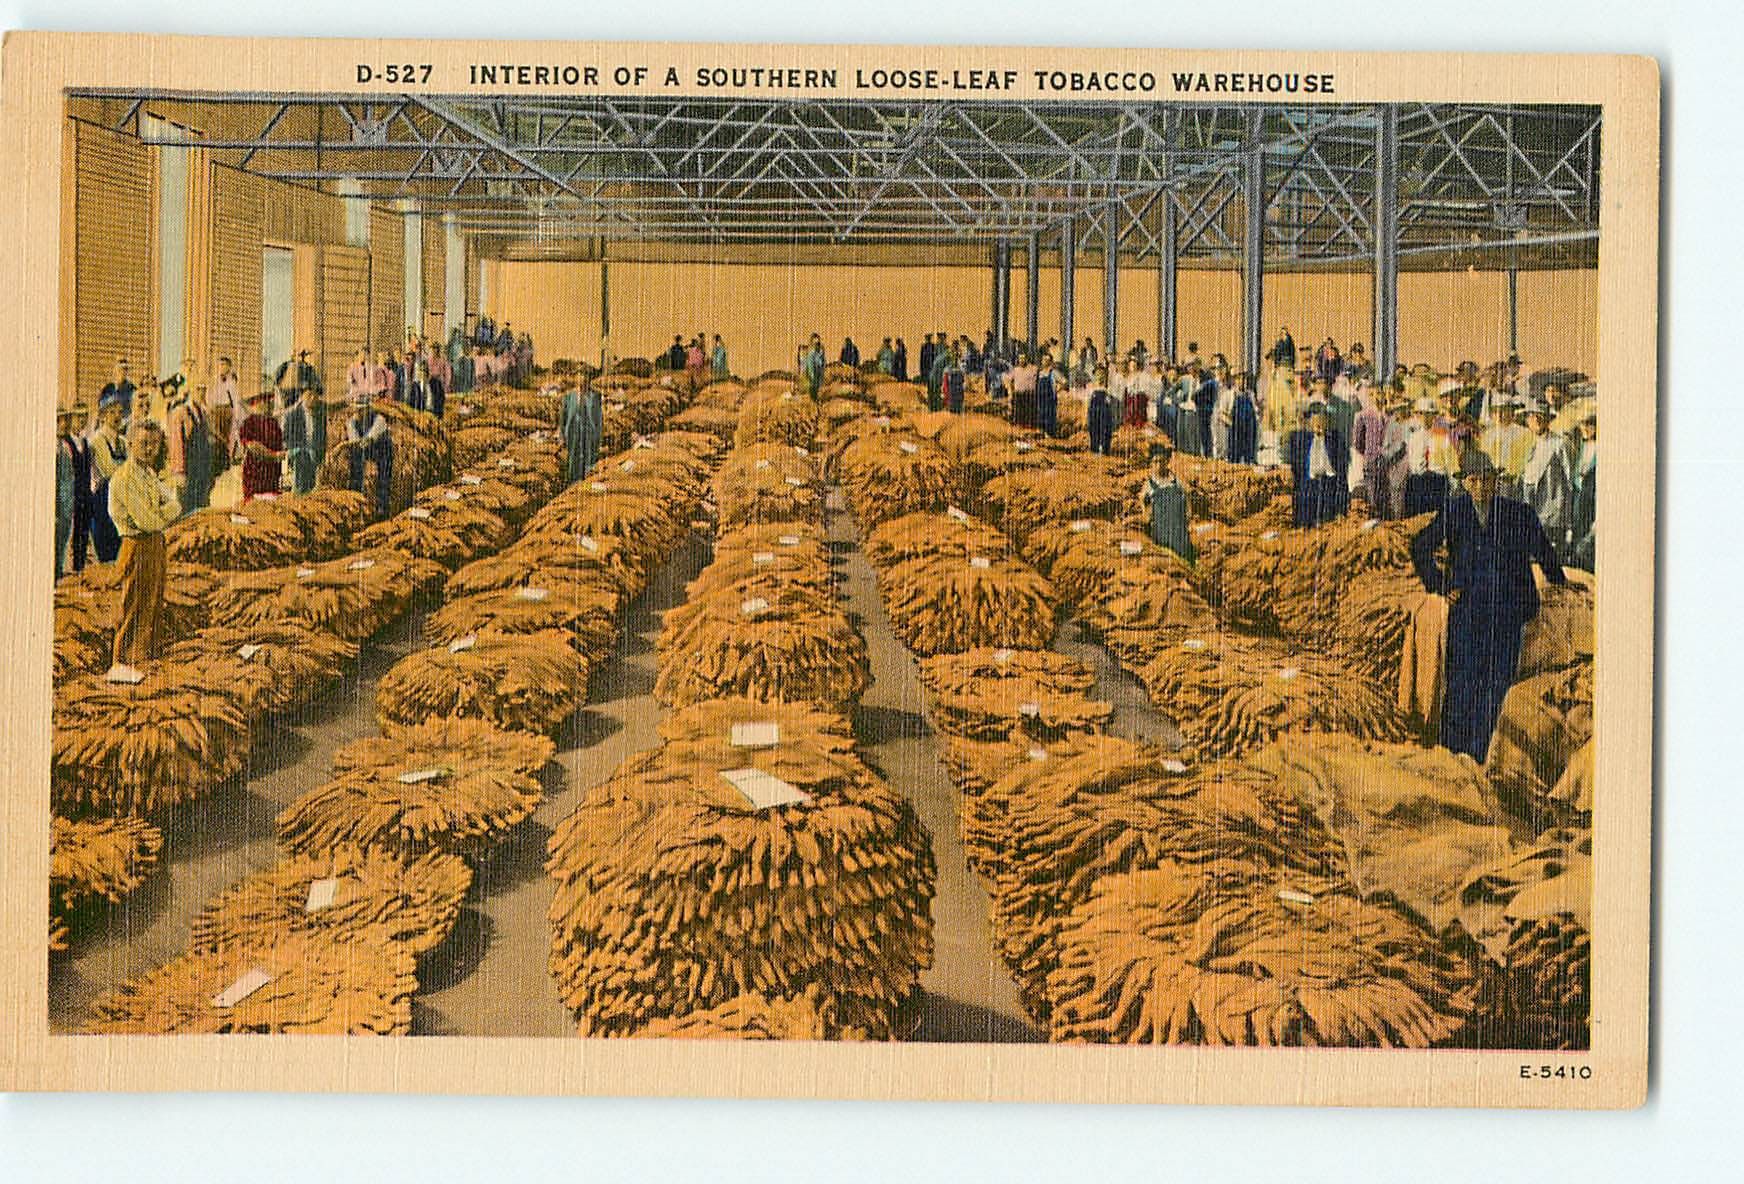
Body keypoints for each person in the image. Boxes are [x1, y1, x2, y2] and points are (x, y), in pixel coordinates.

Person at [1410, 450, 1568, 762]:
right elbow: (1420, 546)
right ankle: (1452, 755)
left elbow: (1543, 550)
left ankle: (1483, 758)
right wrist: (1441, 586)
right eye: (1474, 480)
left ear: (1496, 481)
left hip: (1507, 612)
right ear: (1465, 483)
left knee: (1496, 687)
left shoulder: (1518, 513)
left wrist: (1559, 581)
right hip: (1468, 612)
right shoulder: (1454, 511)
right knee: (1461, 684)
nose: (1482, 485)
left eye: (1487, 479)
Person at [105, 419, 181, 672]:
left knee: (153, 599)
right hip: (136, 546)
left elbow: (176, 505)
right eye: (144, 444)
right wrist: (162, 514)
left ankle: (145, 655)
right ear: (130, 445)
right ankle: (124, 661)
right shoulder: (124, 478)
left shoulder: (148, 474)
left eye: (155, 444)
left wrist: (161, 513)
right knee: (133, 603)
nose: (150, 449)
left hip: (155, 545)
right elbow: (146, 521)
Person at [1286, 403, 1351, 527]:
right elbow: (1296, 469)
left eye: (1322, 420)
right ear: (1309, 422)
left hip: (1329, 483)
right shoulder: (1300, 440)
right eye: (1315, 420)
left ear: (1327, 421)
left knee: (1328, 522)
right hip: (1309, 484)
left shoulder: (1336, 439)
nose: (1318, 424)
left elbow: (1343, 470)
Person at [86, 392, 128, 564]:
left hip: (121, 499)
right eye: (112, 413)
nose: (117, 417)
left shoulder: (123, 442)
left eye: (119, 412)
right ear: (103, 416)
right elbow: (108, 469)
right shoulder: (97, 440)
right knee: (106, 548)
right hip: (102, 500)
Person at [164, 380, 214, 513]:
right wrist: (179, 471)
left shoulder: (203, 414)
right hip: (188, 471)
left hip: (201, 471)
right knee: (186, 511)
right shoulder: (180, 412)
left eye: (204, 390)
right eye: (198, 389)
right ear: (191, 391)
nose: (202, 393)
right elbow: (176, 444)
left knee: (201, 509)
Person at [345, 389, 395, 519]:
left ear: (368, 409)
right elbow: (354, 441)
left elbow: (369, 438)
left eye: (361, 409)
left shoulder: (379, 420)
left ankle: (382, 506)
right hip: (364, 448)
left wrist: (362, 442)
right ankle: (355, 497)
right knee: (355, 462)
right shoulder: (351, 422)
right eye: (357, 410)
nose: (359, 413)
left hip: (382, 450)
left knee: (384, 476)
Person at [1141, 443, 1196, 562]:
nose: (1159, 465)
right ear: (1151, 464)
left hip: (1179, 529)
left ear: (1166, 462)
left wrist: (1189, 513)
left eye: (1161, 461)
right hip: (1161, 532)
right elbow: (1144, 509)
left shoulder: (1176, 480)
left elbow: (1187, 495)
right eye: (1155, 462)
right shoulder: (1149, 485)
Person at [1402, 396, 1455, 517]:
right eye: (1421, 414)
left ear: (1435, 416)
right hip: (1418, 482)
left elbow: (1449, 462)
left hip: (1437, 482)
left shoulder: (1443, 436)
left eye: (1428, 414)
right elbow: (1411, 462)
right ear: (1416, 415)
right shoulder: (1413, 437)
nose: (1425, 418)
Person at [235, 390, 286, 501]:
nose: (270, 403)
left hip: (272, 477)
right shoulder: (249, 422)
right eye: (266, 400)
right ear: (256, 403)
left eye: (270, 400)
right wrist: (274, 455)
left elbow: (281, 446)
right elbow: (252, 446)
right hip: (255, 476)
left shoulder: (274, 423)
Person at [1481, 397, 1535, 498]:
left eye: (1504, 411)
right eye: (1496, 412)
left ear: (1511, 412)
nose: (1500, 415)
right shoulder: (1487, 434)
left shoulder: (1524, 433)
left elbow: (1527, 459)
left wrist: (1513, 474)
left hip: (1512, 481)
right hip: (1490, 480)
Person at [1569, 409, 1597, 571]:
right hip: (1579, 493)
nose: (1585, 429)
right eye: (1582, 425)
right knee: (1577, 527)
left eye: (1589, 425)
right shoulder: (1582, 446)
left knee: (1588, 531)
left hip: (1592, 495)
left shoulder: (1601, 447)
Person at [279, 385, 318, 496]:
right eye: (309, 395)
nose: (312, 398)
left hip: (313, 454)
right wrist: (299, 449)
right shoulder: (291, 414)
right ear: (302, 396)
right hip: (297, 453)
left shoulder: (318, 413)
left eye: (315, 395)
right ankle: (299, 495)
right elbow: (285, 438)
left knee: (311, 487)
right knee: (300, 486)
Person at [1228, 372, 1260, 465]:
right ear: (1235, 381)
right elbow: (1223, 413)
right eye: (1240, 379)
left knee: (1249, 456)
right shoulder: (1231, 394)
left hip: (1249, 429)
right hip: (1236, 429)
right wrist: (1230, 423)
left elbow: (1256, 410)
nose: (1243, 382)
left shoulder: (1250, 394)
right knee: (1234, 457)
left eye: (1245, 380)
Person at [1086, 368, 1115, 455]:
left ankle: (1104, 448)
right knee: (1094, 428)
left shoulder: (1109, 388)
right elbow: (1087, 401)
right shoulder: (1090, 386)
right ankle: (1094, 447)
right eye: (1098, 374)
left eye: (1102, 374)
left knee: (1104, 428)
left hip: (1104, 411)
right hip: (1093, 410)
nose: (1100, 376)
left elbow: (1110, 401)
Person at [1035, 352, 1061, 438]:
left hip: (1050, 399)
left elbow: (1064, 382)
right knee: (1041, 415)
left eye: (1047, 360)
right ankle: (1042, 433)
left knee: (1050, 416)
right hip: (1041, 398)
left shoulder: (1053, 373)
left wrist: (1057, 390)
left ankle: (1050, 435)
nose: (1045, 362)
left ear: (1050, 362)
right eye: (1043, 360)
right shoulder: (1040, 373)